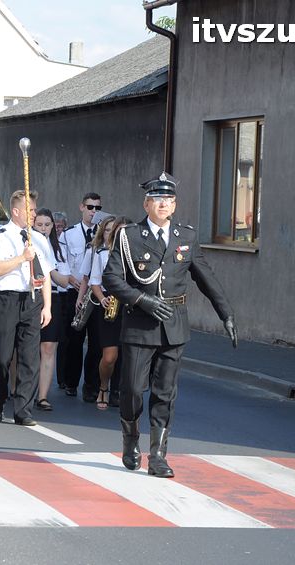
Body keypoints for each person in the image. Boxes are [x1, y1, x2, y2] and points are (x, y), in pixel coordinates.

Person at [103, 173, 238, 478]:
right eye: (157, 199)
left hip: (174, 326)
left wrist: (226, 313)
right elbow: (111, 279)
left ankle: (158, 455)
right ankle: (131, 441)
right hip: (139, 324)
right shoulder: (129, 236)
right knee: (133, 390)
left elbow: (206, 278)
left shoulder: (186, 237)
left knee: (165, 393)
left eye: (168, 199)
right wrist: (142, 300)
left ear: (175, 205)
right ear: (146, 203)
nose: (163, 204)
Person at [0, 190, 53, 425]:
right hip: (6, 298)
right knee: (2, 356)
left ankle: (23, 409)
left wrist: (47, 306)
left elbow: (46, 275)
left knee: (29, 357)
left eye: (34, 209)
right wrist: (21, 258)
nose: (34, 214)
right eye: (30, 210)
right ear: (16, 212)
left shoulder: (40, 239)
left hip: (32, 300)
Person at [59, 192, 103, 402]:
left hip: (95, 295)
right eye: (90, 207)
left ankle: (91, 386)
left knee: (96, 343)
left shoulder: (103, 234)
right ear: (81, 207)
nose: (93, 211)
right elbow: (62, 260)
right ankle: (71, 382)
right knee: (73, 341)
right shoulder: (69, 234)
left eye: (97, 208)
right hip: (74, 292)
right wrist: (69, 279)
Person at [87, 215, 131, 410]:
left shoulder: (135, 253)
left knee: (128, 354)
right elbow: (94, 280)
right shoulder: (103, 253)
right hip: (109, 302)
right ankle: (103, 386)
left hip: (130, 305)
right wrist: (101, 298)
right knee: (109, 356)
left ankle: (118, 391)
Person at [32, 208, 69, 411]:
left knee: (48, 348)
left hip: (53, 298)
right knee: (25, 349)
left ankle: (43, 396)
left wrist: (49, 266)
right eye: (40, 225)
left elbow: (64, 281)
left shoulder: (59, 248)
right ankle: (19, 389)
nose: (44, 229)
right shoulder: (26, 245)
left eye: (47, 225)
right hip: (30, 297)